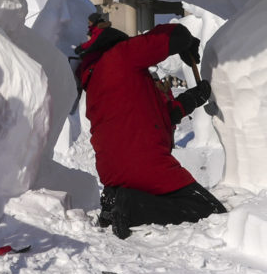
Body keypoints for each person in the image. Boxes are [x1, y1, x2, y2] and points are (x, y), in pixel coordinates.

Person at [81, 23, 225, 239]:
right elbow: (173, 36)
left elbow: (158, 117)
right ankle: (132, 207)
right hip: (144, 164)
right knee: (208, 209)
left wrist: (191, 99)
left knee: (165, 194)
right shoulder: (121, 55)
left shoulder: (98, 83)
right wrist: (186, 43)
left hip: (113, 172)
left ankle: (116, 197)